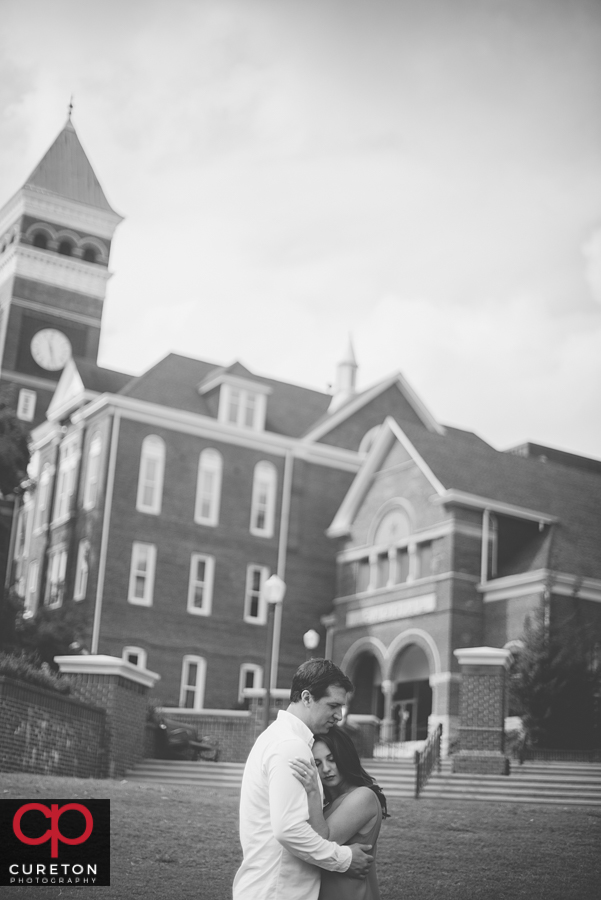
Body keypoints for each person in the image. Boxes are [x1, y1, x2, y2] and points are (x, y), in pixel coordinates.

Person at [232, 659, 374, 900]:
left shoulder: (278, 738)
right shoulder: (290, 746)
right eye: (333, 705)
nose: (339, 715)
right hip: (277, 891)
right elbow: (288, 829)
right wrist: (344, 859)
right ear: (307, 698)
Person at [289, 727, 388, 900]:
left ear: (344, 758)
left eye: (332, 759)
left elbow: (320, 844)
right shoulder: (325, 804)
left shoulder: (362, 797)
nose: (326, 769)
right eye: (317, 764)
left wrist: (312, 791)